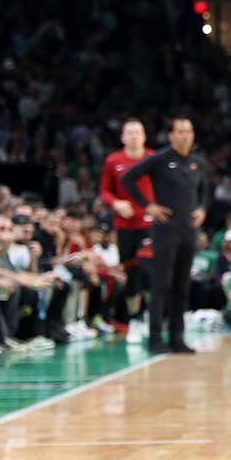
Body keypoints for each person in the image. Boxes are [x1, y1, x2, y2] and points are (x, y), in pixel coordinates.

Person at [120, 117, 209, 354]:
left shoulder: (197, 162)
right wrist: (147, 206)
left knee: (182, 286)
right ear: (170, 135)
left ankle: (177, 337)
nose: (184, 135)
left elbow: (205, 190)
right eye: (179, 131)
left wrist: (202, 208)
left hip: (188, 232)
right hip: (165, 231)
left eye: (188, 131)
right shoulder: (159, 159)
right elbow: (128, 178)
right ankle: (155, 338)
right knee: (161, 286)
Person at [98, 117, 154, 337]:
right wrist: (116, 203)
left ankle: (151, 316)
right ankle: (134, 318)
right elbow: (104, 191)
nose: (133, 135)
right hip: (124, 226)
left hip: (149, 225)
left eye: (137, 132)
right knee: (130, 275)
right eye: (129, 132)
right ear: (122, 137)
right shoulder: (113, 161)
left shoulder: (152, 159)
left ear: (144, 136)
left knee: (147, 268)